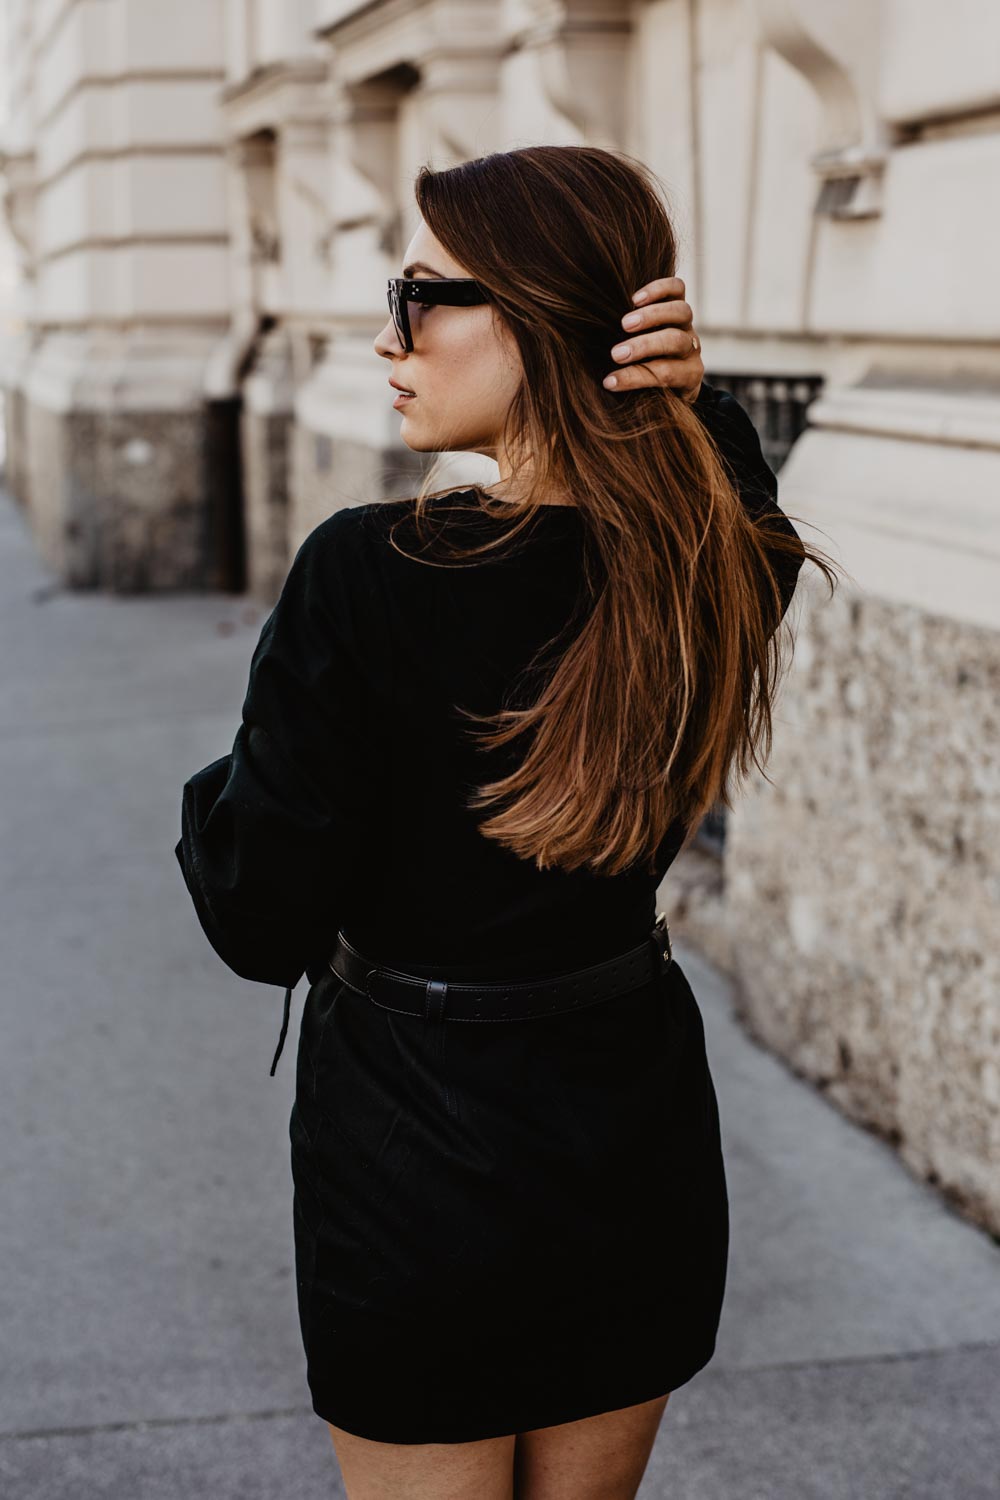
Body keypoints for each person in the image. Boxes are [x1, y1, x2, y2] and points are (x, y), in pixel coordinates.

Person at [175, 145, 836, 1500]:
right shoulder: (694, 571)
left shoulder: (368, 573)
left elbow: (257, 912)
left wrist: (222, 789)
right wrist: (691, 409)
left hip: (410, 1157)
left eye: (423, 296)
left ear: (539, 319)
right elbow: (741, 517)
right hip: (630, 1137)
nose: (387, 335)